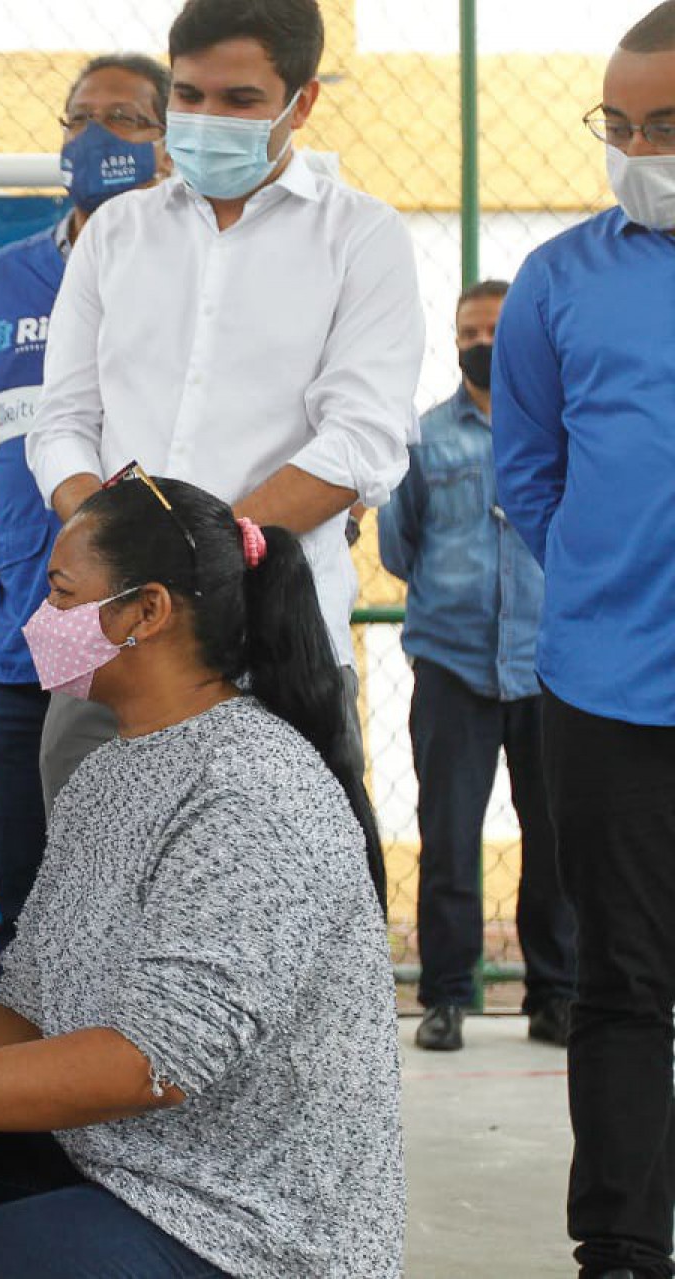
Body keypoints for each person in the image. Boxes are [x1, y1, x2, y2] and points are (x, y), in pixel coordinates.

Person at [0, 470, 404, 1278]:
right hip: (115, 1161)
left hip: (237, 1226)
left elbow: (151, 1062)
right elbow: (30, 1008)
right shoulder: (110, 772)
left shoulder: (252, 787)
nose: (36, 619)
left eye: (59, 593)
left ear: (146, 613)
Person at [24, 0, 423, 906]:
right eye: (191, 95)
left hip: (275, 621)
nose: (208, 119)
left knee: (281, 911)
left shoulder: (363, 237)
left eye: (242, 98)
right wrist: (120, 553)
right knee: (92, 902)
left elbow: (361, 438)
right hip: (106, 623)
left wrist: (202, 555)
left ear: (303, 100)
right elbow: (62, 424)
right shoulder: (115, 235)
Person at [0, 51, 170, 967]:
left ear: (172, 146)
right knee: (30, 912)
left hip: (160, 649)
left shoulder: (196, 276)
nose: (96, 138)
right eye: (79, 118)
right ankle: (35, 1097)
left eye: (127, 119)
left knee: (152, 907)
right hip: (30, 645)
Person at [492, 5, 675, 1272]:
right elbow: (532, 471)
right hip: (605, 689)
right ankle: (619, 1246)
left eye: (664, 126)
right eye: (617, 126)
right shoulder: (559, 279)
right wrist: (612, 586)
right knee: (623, 981)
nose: (635, 150)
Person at [378, 279, 575, 1054]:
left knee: (554, 838)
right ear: (454, 341)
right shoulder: (425, 439)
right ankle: (447, 996)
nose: (481, 344)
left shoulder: (562, 430)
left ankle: (555, 994)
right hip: (451, 665)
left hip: (547, 663)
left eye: (494, 330)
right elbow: (399, 546)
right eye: (468, 333)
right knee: (449, 839)